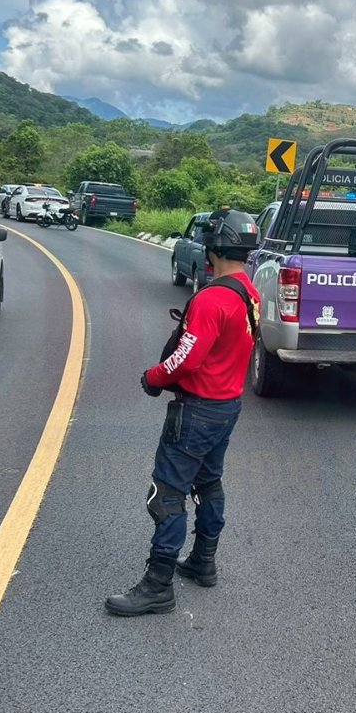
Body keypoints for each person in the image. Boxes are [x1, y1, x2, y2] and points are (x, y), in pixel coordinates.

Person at [105, 208, 261, 617]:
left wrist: (153, 377)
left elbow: (187, 359)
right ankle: (203, 562)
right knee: (209, 483)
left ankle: (157, 586)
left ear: (213, 246)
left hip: (197, 410)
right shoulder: (249, 292)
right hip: (227, 406)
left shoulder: (212, 299)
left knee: (167, 493)